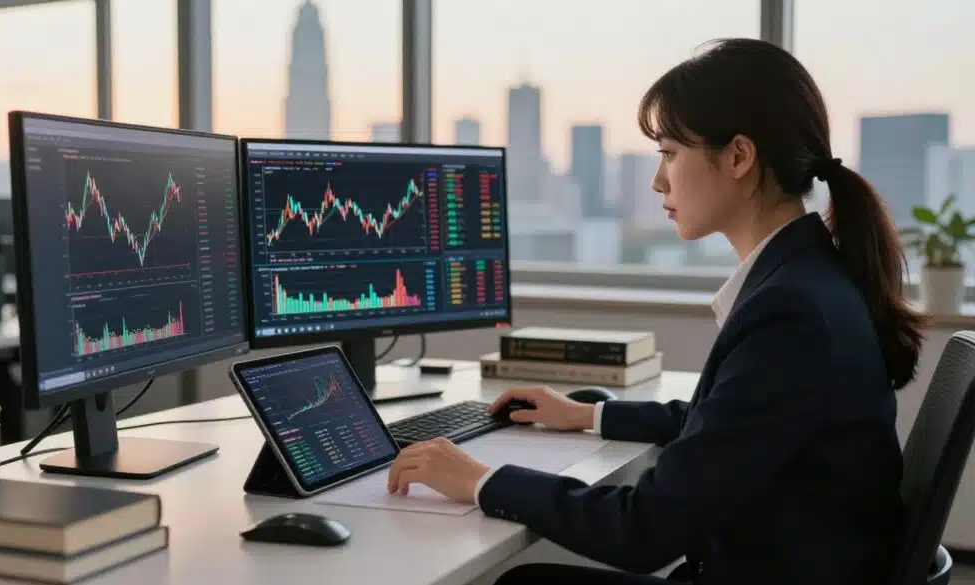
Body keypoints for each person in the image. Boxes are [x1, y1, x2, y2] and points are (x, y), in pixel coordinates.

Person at [386, 37, 926, 585]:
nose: (657, 180)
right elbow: (726, 424)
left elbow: (643, 530)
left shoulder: (791, 312)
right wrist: (590, 414)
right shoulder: (811, 278)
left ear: (739, 156)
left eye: (669, 153)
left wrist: (482, 480)